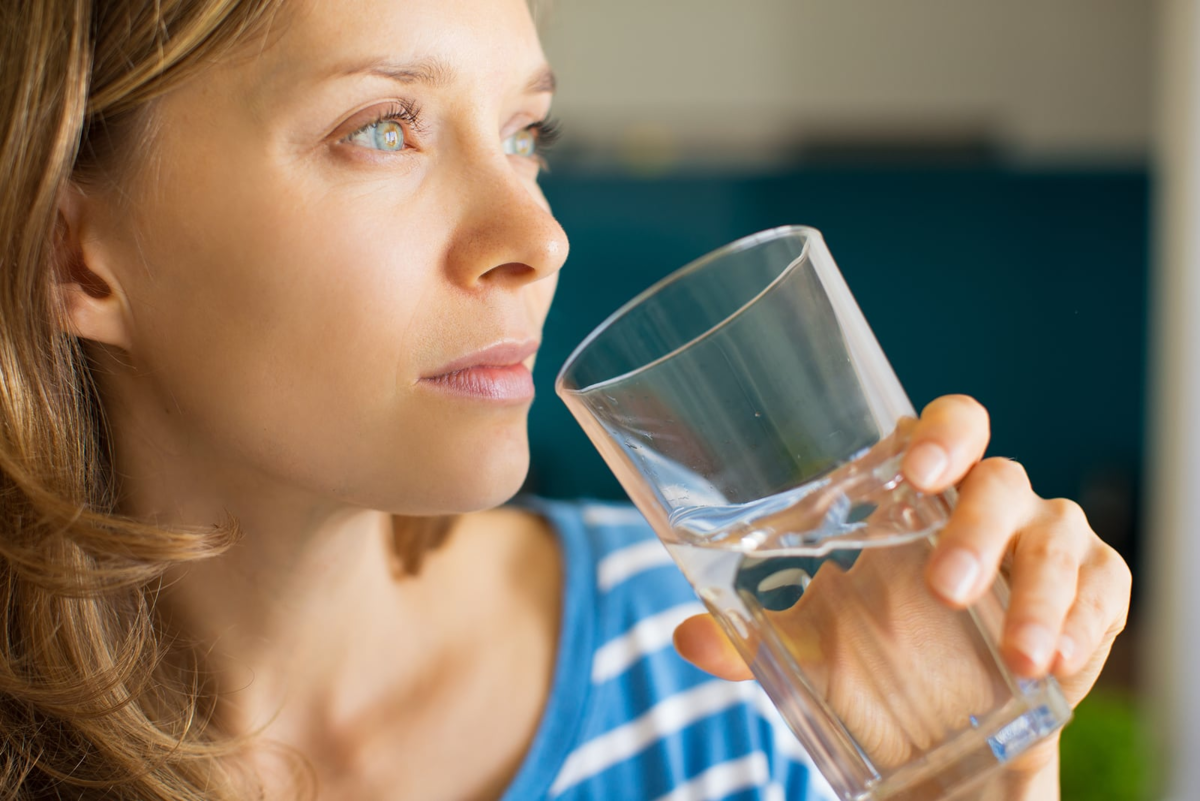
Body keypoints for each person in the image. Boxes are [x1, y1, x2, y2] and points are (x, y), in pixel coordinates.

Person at [0, 0, 1131, 798]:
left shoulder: (745, 676)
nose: (539, 238)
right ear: (77, 258)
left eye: (525, 135)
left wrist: (970, 790)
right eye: (383, 128)